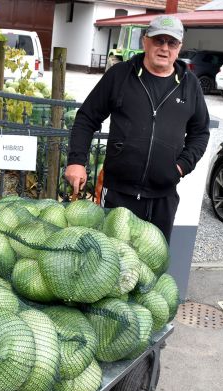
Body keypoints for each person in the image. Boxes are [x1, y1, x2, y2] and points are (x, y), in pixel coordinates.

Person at [65, 15, 210, 243]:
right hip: (117, 194)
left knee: (153, 261)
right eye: (158, 40)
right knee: (111, 258)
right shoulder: (120, 75)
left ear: (179, 47)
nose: (164, 48)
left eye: (171, 43)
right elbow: (87, 118)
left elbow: (200, 133)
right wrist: (76, 161)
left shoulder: (189, 85)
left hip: (162, 199)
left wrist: (181, 167)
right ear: (145, 41)